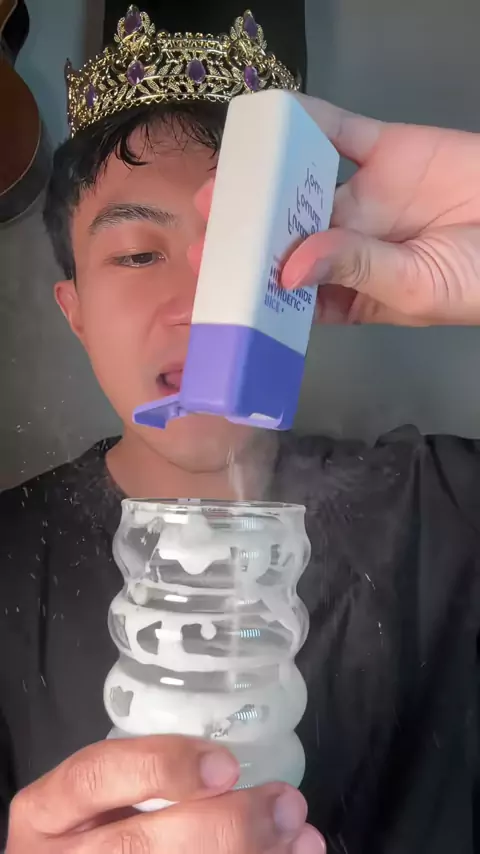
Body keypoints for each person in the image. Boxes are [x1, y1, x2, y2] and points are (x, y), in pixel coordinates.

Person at [1, 7, 479, 854]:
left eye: (237, 247)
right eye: (139, 254)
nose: (199, 305)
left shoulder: (444, 508)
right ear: (74, 313)